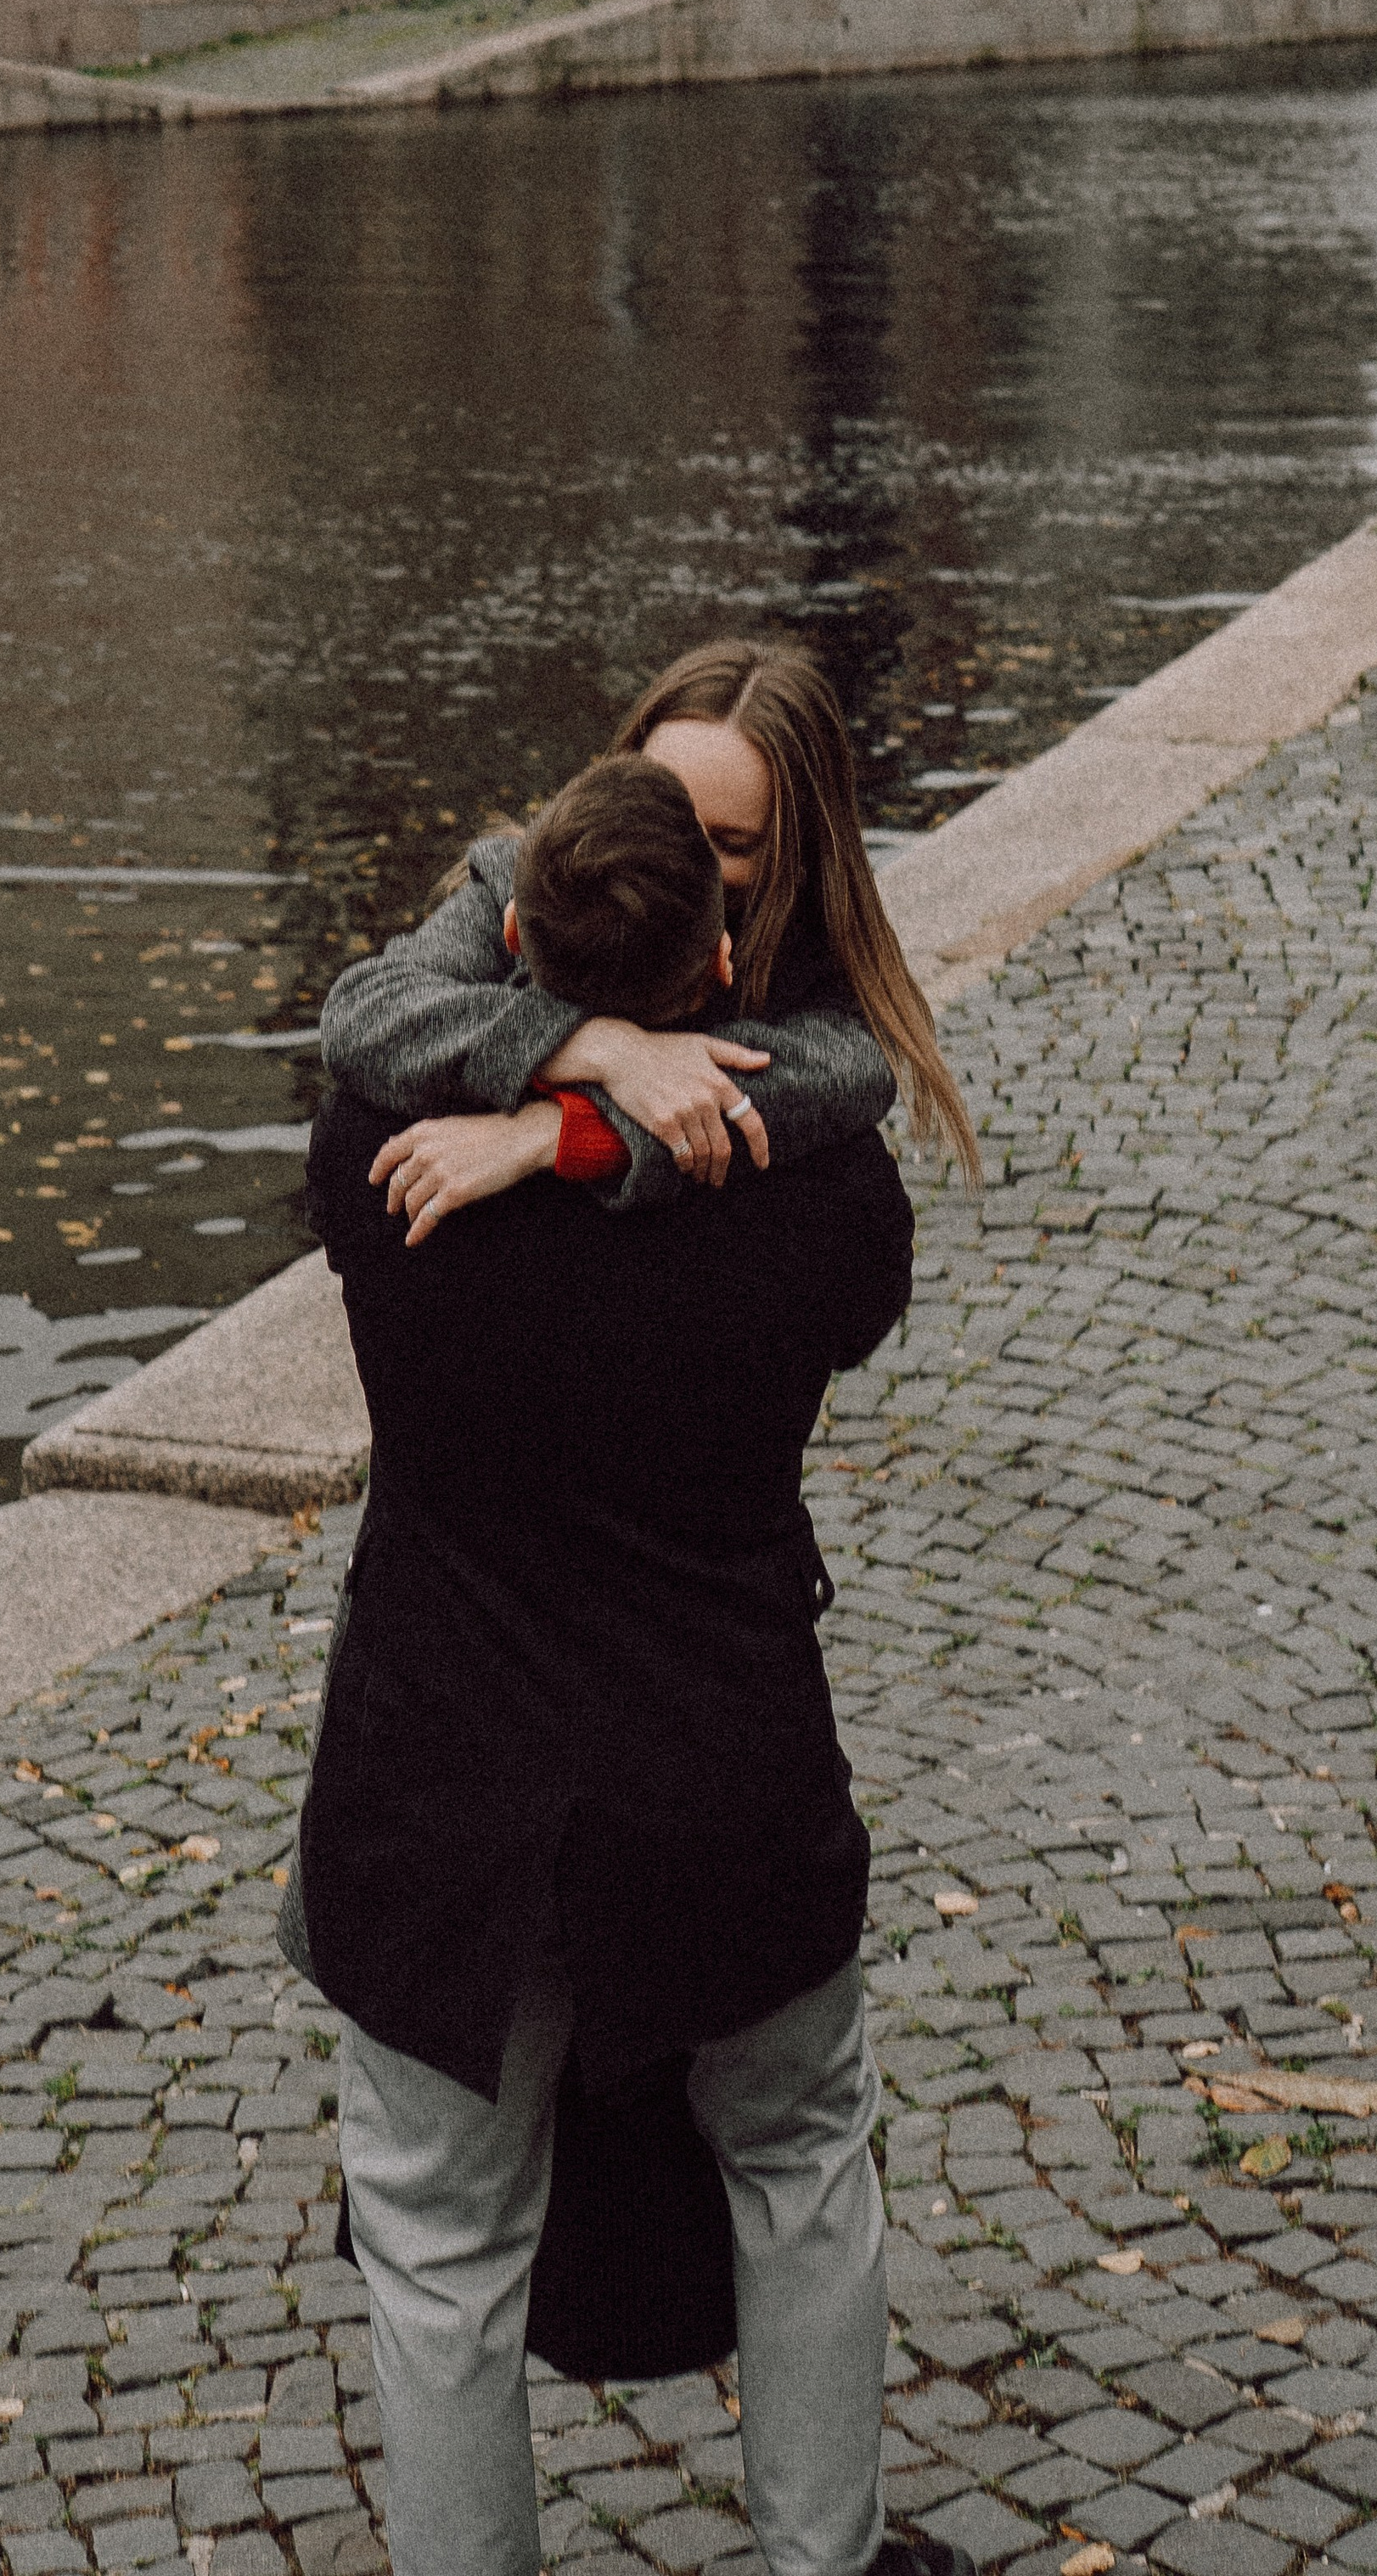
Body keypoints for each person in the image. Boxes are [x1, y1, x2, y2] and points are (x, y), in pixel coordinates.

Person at [289, 754, 968, 2576]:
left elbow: (376, 1028)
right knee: (801, 2154)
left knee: (436, 2238)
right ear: (721, 966)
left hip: (442, 1785)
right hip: (716, 1763)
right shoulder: (814, 1205)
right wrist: (641, 1103)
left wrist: (545, 1100)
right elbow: (838, 1121)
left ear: (514, 945)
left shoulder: (378, 1168)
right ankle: (819, 2559)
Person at [321, 636, 979, 1243]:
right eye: (664, 807)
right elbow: (366, 1011)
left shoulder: (807, 957)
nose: (676, 857)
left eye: (729, 844)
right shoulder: (521, 881)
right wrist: (598, 1048)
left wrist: (551, 1133)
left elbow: (852, 1067)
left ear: (797, 850)